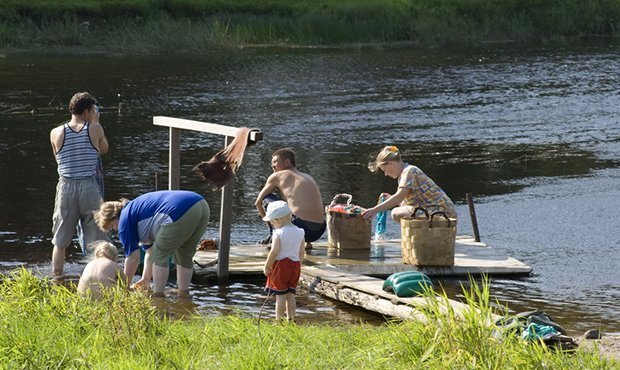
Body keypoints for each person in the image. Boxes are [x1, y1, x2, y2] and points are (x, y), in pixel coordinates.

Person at [94, 190, 210, 298]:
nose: (116, 230)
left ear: (114, 218)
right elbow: (149, 252)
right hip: (201, 204)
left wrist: (124, 288)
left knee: (160, 255)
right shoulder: (135, 210)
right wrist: (145, 279)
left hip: (179, 210)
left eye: (112, 227)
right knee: (184, 255)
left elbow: (133, 258)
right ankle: (184, 296)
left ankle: (158, 297)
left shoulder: (124, 220)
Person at [50, 92, 109, 278]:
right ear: (86, 111)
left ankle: (57, 278)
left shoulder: (56, 132)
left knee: (60, 241)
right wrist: (97, 122)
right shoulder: (94, 128)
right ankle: (97, 279)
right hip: (89, 187)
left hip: (65, 187)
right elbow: (104, 149)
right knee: (97, 237)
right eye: (91, 110)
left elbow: (58, 159)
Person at [361, 145, 457, 223]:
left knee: (396, 213)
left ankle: (424, 236)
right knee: (400, 210)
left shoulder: (409, 172)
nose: (386, 174)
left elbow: (399, 196)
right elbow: (409, 202)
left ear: (391, 164)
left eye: (385, 170)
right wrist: (391, 198)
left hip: (443, 213)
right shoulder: (405, 173)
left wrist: (374, 210)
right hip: (438, 211)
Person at [255, 148, 325, 250]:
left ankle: (274, 236)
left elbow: (258, 202)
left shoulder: (276, 176)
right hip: (319, 231)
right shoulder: (307, 177)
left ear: (287, 162)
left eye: (275, 162)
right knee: (291, 203)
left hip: (300, 228)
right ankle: (307, 243)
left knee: (267, 198)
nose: (272, 165)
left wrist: (271, 226)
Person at [262, 200, 305, 321]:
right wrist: (299, 264)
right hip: (295, 265)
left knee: (280, 296)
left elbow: (274, 252)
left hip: (281, 265)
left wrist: (267, 266)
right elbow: (301, 252)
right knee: (291, 295)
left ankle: (278, 320)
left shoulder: (278, 233)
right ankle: (290, 318)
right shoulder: (300, 232)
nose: (272, 224)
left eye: (271, 222)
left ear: (278, 220)